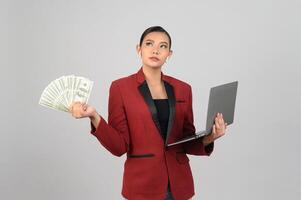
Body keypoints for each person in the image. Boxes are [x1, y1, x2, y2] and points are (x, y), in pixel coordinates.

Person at [69, 26, 227, 200]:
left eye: (163, 46)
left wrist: (212, 136)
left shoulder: (183, 89)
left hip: (179, 184)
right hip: (142, 184)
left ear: (169, 54)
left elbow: (186, 141)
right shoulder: (120, 88)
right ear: (139, 49)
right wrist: (94, 116)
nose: (155, 50)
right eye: (149, 44)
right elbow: (119, 147)